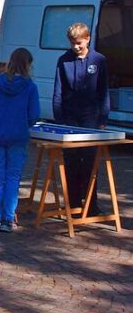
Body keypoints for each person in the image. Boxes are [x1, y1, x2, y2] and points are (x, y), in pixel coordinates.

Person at [52, 22, 110, 216]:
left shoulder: (99, 60)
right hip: (69, 117)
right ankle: (73, 204)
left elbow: (103, 91)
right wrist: (59, 118)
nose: (75, 47)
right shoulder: (64, 60)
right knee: (71, 161)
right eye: (72, 43)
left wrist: (103, 117)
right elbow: (58, 91)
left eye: (78, 43)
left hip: (91, 117)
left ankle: (91, 205)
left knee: (91, 162)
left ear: (87, 39)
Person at [0, 48, 40, 232]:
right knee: (13, 178)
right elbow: (34, 115)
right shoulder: (30, 87)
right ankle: (8, 219)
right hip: (18, 136)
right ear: (27, 65)